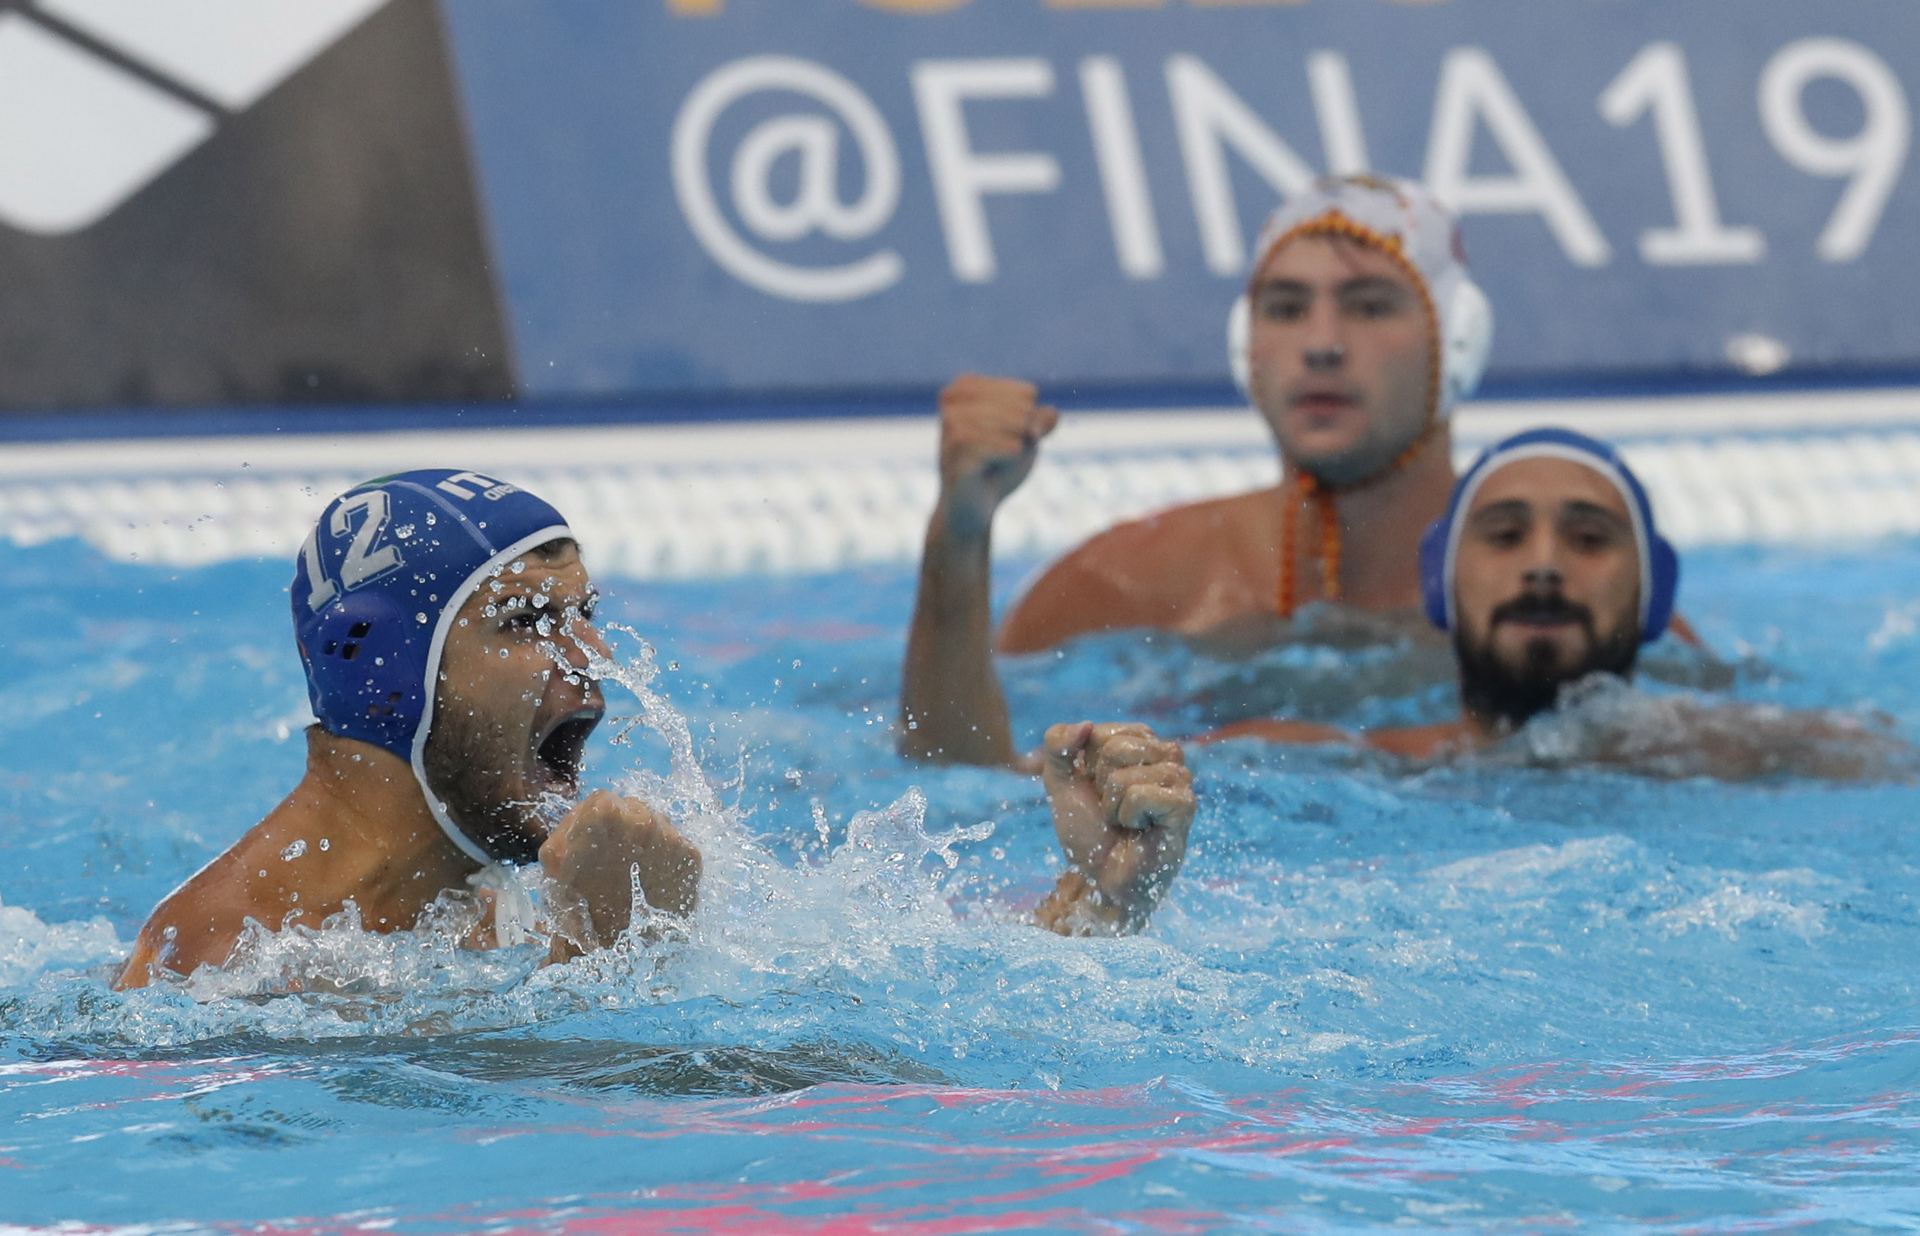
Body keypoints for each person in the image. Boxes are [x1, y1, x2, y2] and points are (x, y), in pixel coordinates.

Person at [117, 471, 1197, 989]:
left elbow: (863, 1037)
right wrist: (608, 966)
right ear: (387, 671)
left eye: (588, 618)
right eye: (533, 623)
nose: (594, 669)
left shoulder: (469, 904)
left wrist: (1098, 906)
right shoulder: (220, 964)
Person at [901, 174, 1495, 767]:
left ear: (1458, 339)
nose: (1321, 344)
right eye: (1285, 308)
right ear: (1245, 345)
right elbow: (960, 782)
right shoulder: (1117, 589)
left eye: (1370, 306)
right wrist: (958, 539)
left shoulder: (1539, 588)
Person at [1210, 429, 1908, 780]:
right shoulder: (1354, 766)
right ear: (1438, 583)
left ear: (1654, 594)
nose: (1543, 566)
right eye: (1505, 535)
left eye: (1588, 538)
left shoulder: (1774, 756)